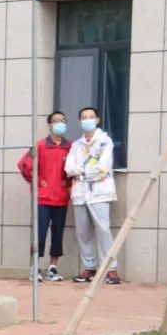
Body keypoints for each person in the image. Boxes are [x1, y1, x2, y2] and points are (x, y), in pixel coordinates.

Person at [65, 106, 121, 285]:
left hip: (100, 193)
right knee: (83, 233)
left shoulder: (105, 142)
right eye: (84, 117)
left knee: (103, 230)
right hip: (80, 194)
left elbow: (102, 169)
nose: (87, 120)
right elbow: (68, 168)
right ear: (79, 122)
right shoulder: (76, 145)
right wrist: (80, 172)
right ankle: (89, 267)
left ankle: (110, 268)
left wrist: (80, 173)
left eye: (91, 117)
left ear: (97, 120)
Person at [18, 112, 71, 282]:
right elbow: (24, 165)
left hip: (61, 198)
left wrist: (67, 183)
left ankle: (53, 267)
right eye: (56, 121)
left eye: (62, 121)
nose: (59, 124)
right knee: (39, 233)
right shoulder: (40, 145)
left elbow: (74, 168)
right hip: (42, 198)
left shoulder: (70, 146)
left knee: (58, 233)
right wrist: (39, 181)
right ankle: (35, 267)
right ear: (49, 125)